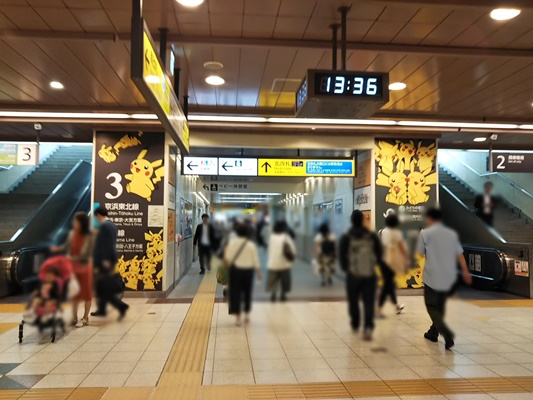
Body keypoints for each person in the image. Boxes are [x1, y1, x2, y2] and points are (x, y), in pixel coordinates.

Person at [416, 208, 472, 350]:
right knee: (439, 307)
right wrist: (465, 271)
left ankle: (447, 335)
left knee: (432, 307)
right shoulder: (451, 234)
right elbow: (459, 254)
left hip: (432, 277)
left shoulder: (425, 233)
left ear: (430, 219)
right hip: (448, 277)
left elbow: (419, 254)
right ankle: (432, 333)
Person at [339, 210, 383, 341]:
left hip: (353, 275)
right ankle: (368, 326)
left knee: (353, 300)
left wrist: (346, 268)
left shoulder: (347, 237)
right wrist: (375, 265)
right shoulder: (371, 235)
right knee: (368, 301)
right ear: (363, 220)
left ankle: (355, 323)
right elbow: (379, 253)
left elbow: (342, 256)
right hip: (369, 274)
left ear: (351, 220)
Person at [50, 211, 94, 327]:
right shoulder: (72, 234)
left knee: (86, 293)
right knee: (74, 292)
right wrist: (58, 249)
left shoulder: (89, 235)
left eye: (76, 221)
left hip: (85, 267)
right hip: (73, 267)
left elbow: (86, 253)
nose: (74, 223)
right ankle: (74, 317)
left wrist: (73, 258)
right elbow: (66, 246)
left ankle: (85, 317)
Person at [91, 207, 129, 320]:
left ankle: (120, 306)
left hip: (105, 261)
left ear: (98, 215)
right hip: (109, 260)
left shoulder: (104, 226)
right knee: (102, 286)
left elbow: (106, 245)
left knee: (103, 286)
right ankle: (102, 309)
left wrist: (105, 260)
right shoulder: (112, 225)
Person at [224, 221, 263, 326]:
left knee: (235, 293)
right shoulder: (251, 245)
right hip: (248, 272)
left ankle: (238, 318)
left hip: (235, 271)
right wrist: (259, 273)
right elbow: (255, 260)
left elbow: (227, 258)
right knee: (247, 292)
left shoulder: (232, 243)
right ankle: (247, 315)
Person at [378, 214, 408, 317]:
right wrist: (406, 259)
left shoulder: (381, 232)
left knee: (389, 284)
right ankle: (379, 307)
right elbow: (402, 248)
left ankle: (396, 305)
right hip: (391, 263)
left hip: (382, 262)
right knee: (388, 284)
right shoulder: (396, 233)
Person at [267, 221, 296, 302]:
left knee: (273, 280)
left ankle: (273, 295)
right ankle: (283, 295)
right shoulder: (286, 237)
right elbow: (292, 249)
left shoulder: (272, 237)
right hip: (284, 264)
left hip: (273, 263)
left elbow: (269, 249)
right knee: (285, 280)